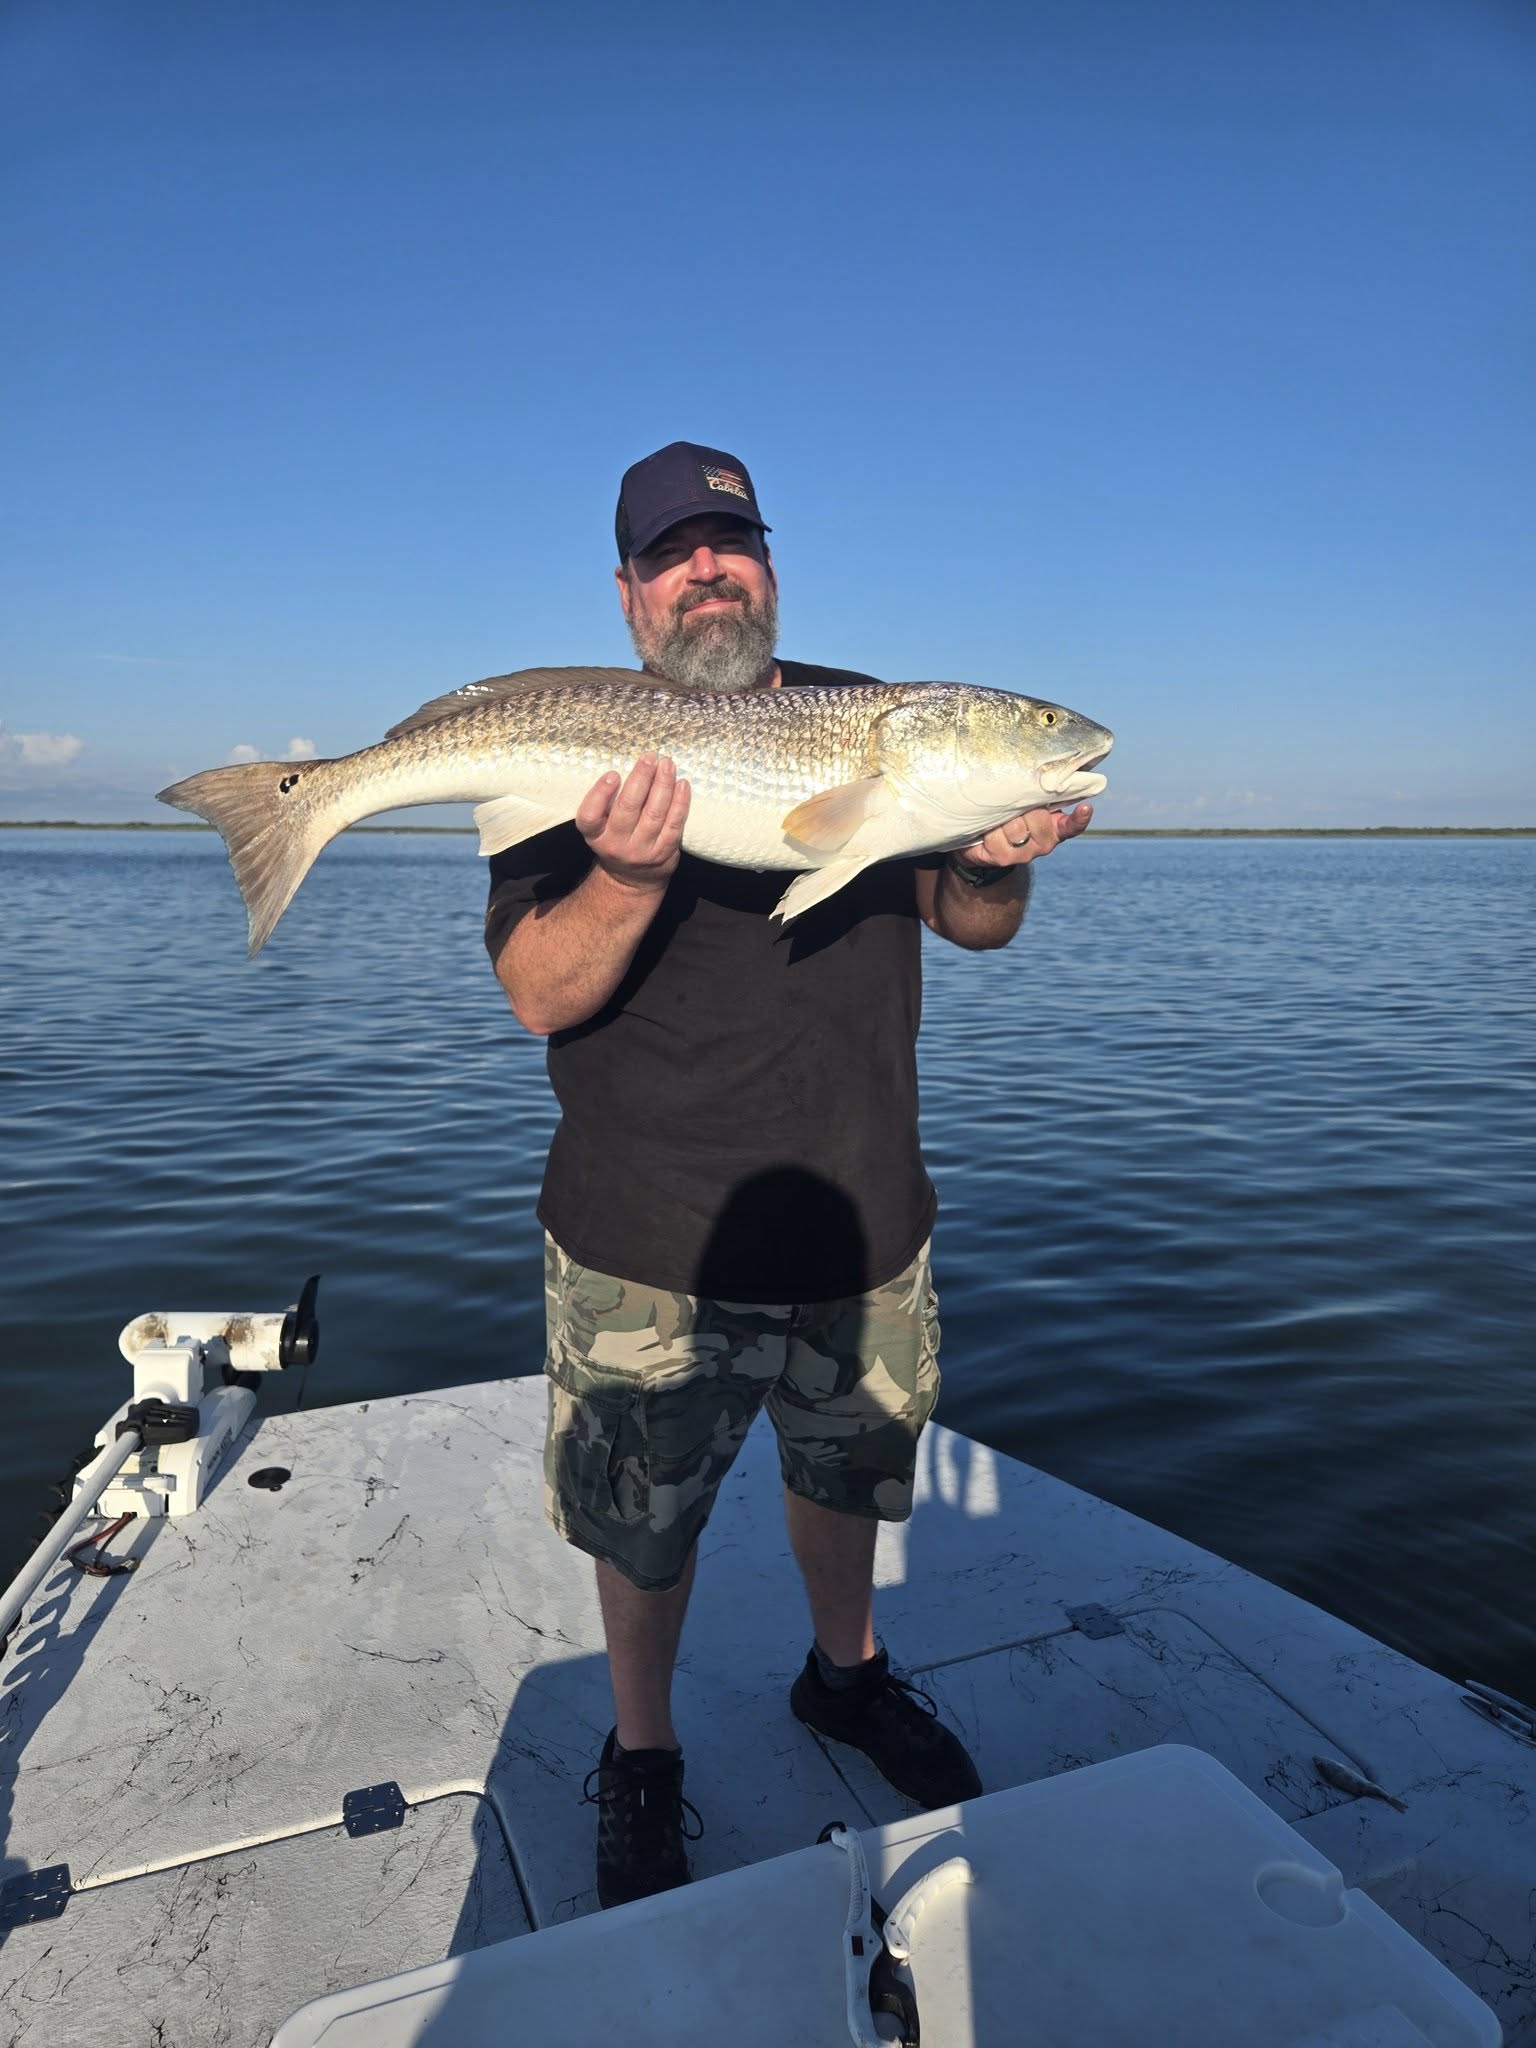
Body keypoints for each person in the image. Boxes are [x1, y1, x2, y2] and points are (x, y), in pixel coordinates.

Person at [485, 441, 1092, 1909]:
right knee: (643, 1523)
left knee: (846, 1476)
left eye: (733, 543)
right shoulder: (568, 735)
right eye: (673, 552)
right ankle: (643, 1750)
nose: (709, 570)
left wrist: (992, 858)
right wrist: (628, 875)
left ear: (767, 566)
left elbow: (975, 925)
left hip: (863, 1211)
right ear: (629, 594)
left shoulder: (875, 722)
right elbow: (539, 994)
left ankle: (846, 1676)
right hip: (645, 1237)